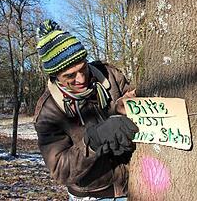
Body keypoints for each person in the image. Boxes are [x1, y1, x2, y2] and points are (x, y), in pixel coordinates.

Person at [34, 19, 138, 201]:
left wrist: (123, 105)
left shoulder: (109, 75)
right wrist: (93, 141)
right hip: (94, 195)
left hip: (136, 182)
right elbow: (60, 170)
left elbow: (136, 98)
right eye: (70, 76)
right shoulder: (49, 111)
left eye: (83, 68)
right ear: (55, 76)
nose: (81, 79)